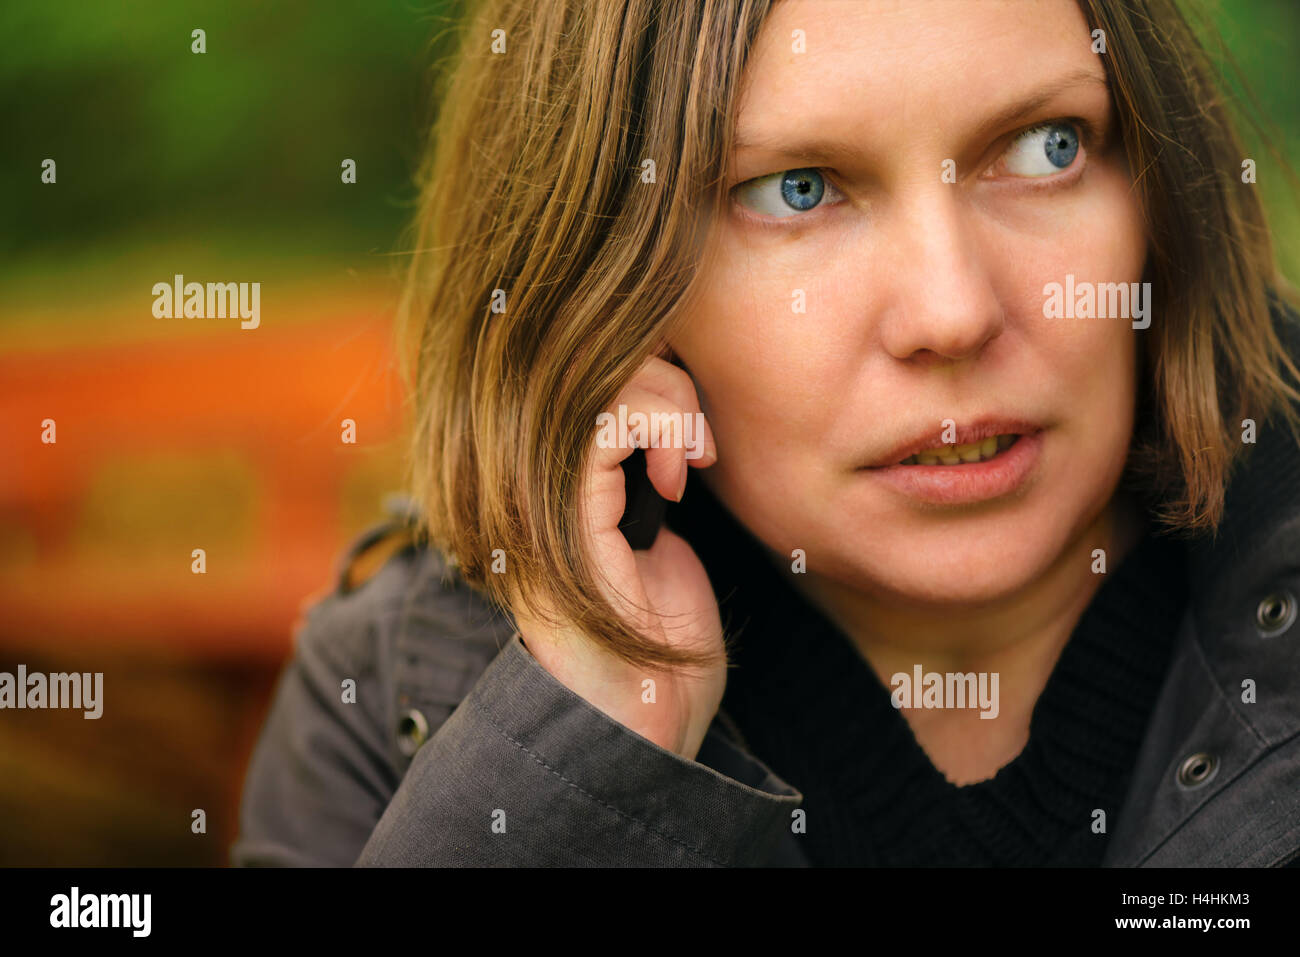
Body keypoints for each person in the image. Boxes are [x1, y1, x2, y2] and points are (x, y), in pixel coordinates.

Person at [232, 0, 1300, 867]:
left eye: (1045, 146)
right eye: (796, 191)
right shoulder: (394, 694)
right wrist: (582, 755)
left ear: (1161, 198)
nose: (950, 311)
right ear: (608, 278)